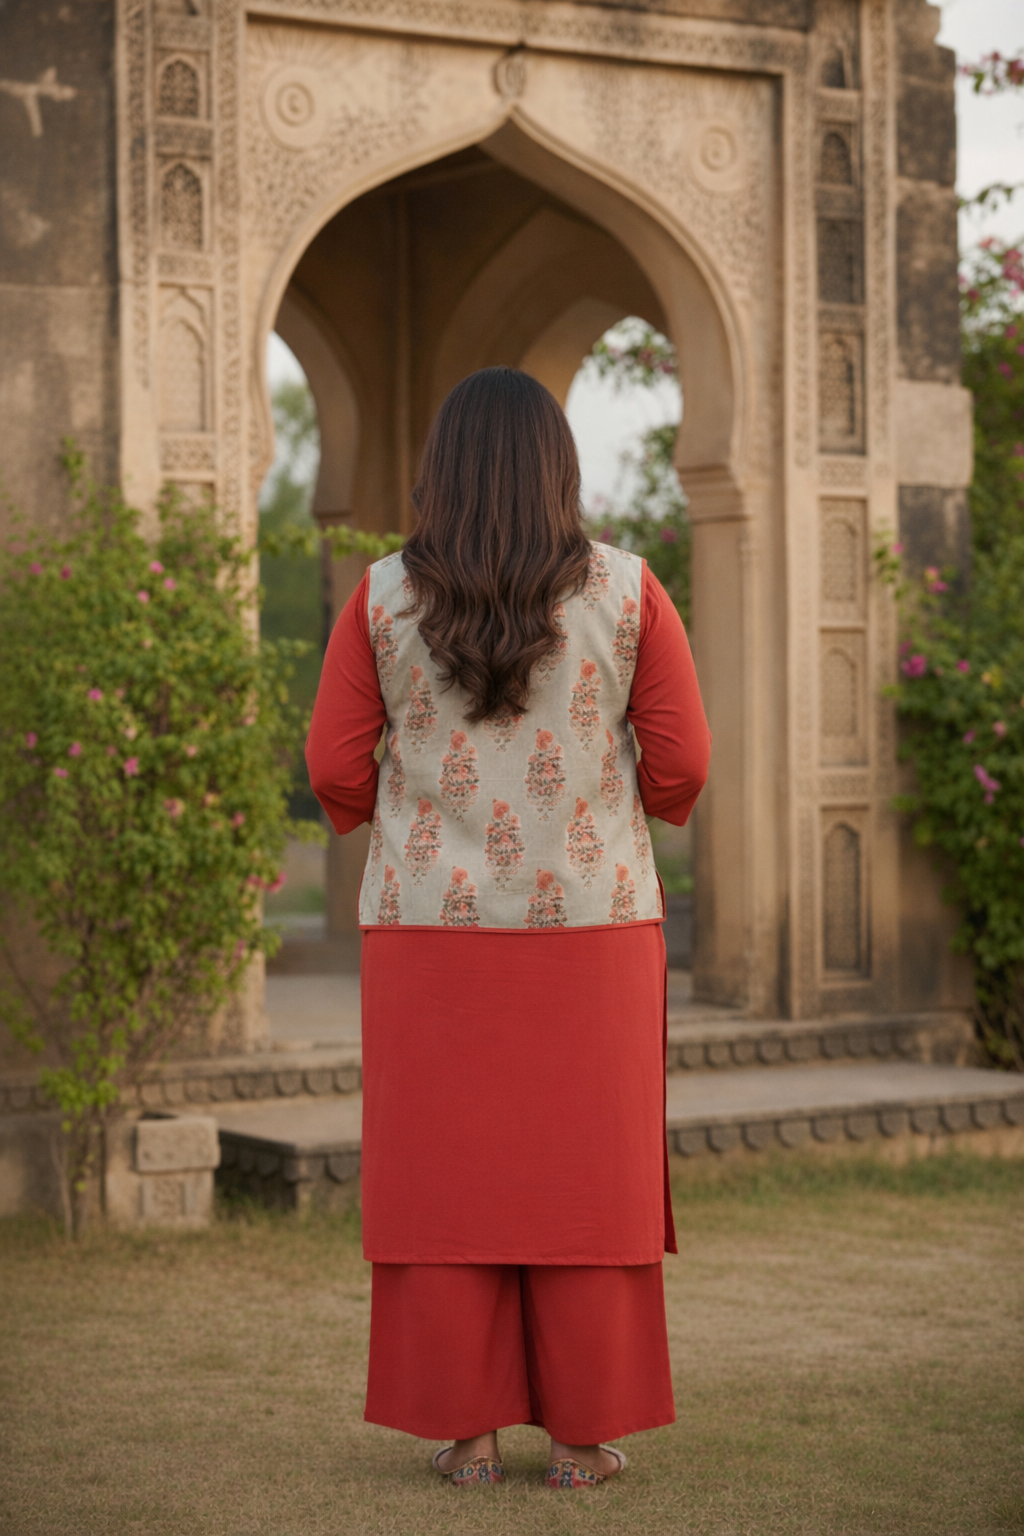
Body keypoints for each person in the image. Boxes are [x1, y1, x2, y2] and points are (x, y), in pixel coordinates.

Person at [306, 366, 710, 1490]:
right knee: (589, 1175)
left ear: (441, 473)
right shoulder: (630, 593)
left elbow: (334, 770)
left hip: (427, 935)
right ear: (558, 469)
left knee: (444, 1177)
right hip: (594, 931)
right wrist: (630, 807)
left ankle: (467, 1435)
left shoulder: (382, 597)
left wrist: (383, 812)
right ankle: (581, 1440)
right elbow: (681, 766)